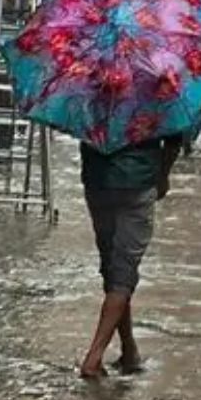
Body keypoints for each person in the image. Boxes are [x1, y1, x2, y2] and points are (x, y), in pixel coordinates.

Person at [78, 135, 182, 379]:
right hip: (139, 182)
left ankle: (129, 350)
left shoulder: (93, 95)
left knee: (113, 268)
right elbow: (174, 138)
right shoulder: (154, 95)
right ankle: (93, 358)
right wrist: (164, 173)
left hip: (98, 182)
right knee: (123, 272)